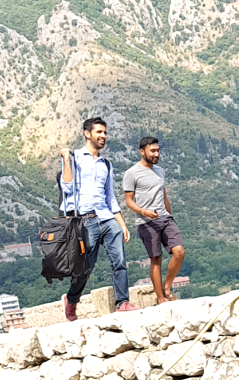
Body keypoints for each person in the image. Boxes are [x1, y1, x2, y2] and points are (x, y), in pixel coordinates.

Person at [59, 117, 138, 320]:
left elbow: (110, 196)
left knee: (119, 260)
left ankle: (122, 302)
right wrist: (66, 160)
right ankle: (72, 299)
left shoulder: (106, 164)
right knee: (85, 268)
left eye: (105, 132)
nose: (103, 136)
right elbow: (66, 187)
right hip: (85, 220)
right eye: (99, 132)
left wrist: (121, 223)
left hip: (106, 217)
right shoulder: (74, 157)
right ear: (87, 133)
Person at [122, 136, 185, 304]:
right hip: (146, 222)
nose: (156, 154)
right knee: (156, 259)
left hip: (165, 218)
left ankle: (167, 286)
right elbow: (128, 201)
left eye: (158, 150)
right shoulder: (131, 173)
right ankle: (160, 298)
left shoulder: (160, 171)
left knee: (179, 252)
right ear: (142, 152)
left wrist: (170, 215)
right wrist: (144, 212)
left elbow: (163, 195)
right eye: (153, 151)